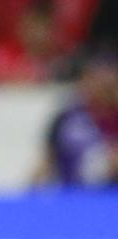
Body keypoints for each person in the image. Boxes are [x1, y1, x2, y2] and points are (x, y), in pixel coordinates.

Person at [31, 56, 118, 188]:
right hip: (74, 196)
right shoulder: (66, 118)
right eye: (96, 80)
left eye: (108, 84)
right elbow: (46, 163)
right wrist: (33, 191)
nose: (102, 87)